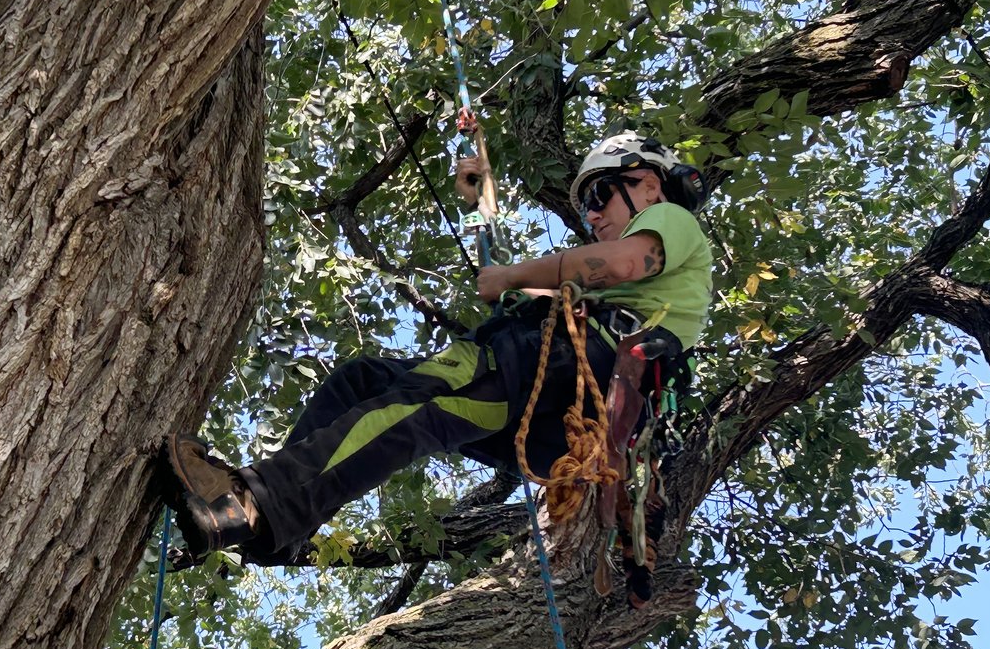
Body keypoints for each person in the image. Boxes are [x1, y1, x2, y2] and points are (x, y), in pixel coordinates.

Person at [161, 131, 713, 566]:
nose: (592, 215)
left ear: (648, 183)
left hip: (563, 368)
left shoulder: (668, 220)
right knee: (364, 384)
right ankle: (275, 525)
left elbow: (614, 264)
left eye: (598, 195)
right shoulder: (634, 283)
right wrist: (481, 206)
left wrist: (509, 275)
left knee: (415, 410)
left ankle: (251, 504)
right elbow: (518, 283)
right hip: (555, 393)